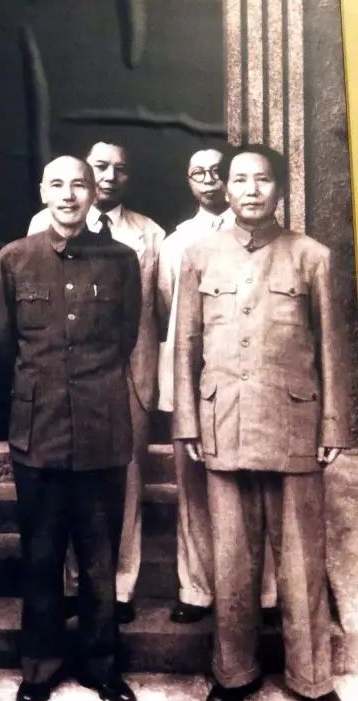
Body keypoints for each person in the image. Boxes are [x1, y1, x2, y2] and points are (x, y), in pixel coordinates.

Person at [173, 143, 351, 701]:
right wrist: (187, 421)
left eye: (263, 180)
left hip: (294, 424)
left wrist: (333, 425)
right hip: (223, 422)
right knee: (231, 560)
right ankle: (234, 671)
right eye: (240, 180)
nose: (251, 190)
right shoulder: (198, 256)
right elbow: (186, 347)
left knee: (300, 562)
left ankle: (312, 678)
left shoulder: (312, 256)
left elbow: (333, 348)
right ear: (225, 189)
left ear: (280, 189)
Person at [0, 155, 141, 701]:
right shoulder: (15, 257)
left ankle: (102, 666)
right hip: (39, 429)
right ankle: (40, 666)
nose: (69, 194)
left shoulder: (121, 260)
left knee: (99, 558)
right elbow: (1, 340)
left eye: (79, 184)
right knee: (41, 554)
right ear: (42, 192)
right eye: (57, 184)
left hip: (102, 428)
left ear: (93, 192)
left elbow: (126, 335)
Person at [29, 140, 165, 624]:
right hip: (61, 382)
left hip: (126, 374)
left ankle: (120, 587)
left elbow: (151, 311)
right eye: (100, 167)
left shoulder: (149, 234)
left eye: (118, 169)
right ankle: (71, 587)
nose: (109, 177)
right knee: (63, 492)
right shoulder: (38, 228)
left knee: (122, 487)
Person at [158, 148, 277, 624]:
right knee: (194, 492)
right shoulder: (177, 243)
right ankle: (196, 589)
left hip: (255, 383)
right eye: (198, 173)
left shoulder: (268, 238)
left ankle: (266, 596)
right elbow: (170, 314)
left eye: (216, 172)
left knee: (261, 489)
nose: (209, 180)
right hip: (197, 381)